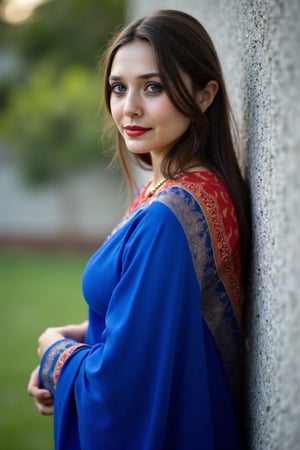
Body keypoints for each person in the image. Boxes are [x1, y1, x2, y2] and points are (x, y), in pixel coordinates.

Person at [27, 9, 251, 450]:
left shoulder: (167, 217)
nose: (129, 108)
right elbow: (164, 324)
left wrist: (54, 353)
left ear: (205, 95)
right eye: (118, 88)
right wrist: (81, 335)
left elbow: (121, 386)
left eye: (153, 86)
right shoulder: (187, 188)